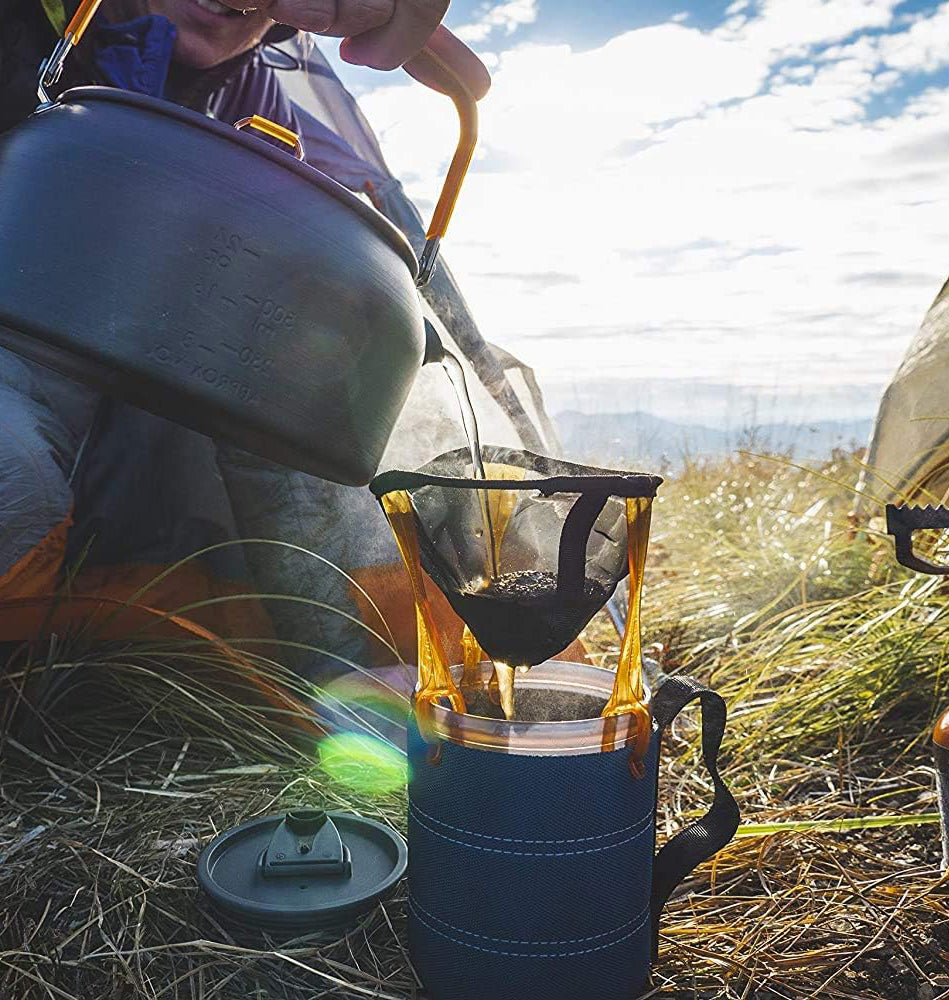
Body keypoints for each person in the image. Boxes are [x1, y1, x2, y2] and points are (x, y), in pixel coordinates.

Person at [0, 0, 562, 683]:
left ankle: (349, 681)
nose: (234, 2)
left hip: (167, 526)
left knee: (303, 396)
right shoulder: (29, 36)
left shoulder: (261, 105)